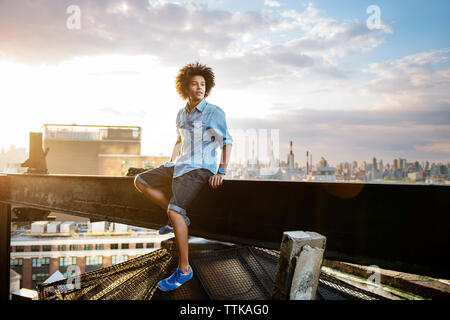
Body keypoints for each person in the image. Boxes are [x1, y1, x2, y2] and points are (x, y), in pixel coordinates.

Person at [134, 62, 233, 291]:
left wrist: (221, 171)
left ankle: (184, 270)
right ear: (185, 87)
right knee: (141, 181)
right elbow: (179, 141)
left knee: (175, 211)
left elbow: (227, 141)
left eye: (203, 84)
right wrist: (171, 160)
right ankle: (177, 218)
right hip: (180, 165)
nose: (199, 88)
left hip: (199, 168)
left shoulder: (214, 112)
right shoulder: (181, 113)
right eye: (195, 84)